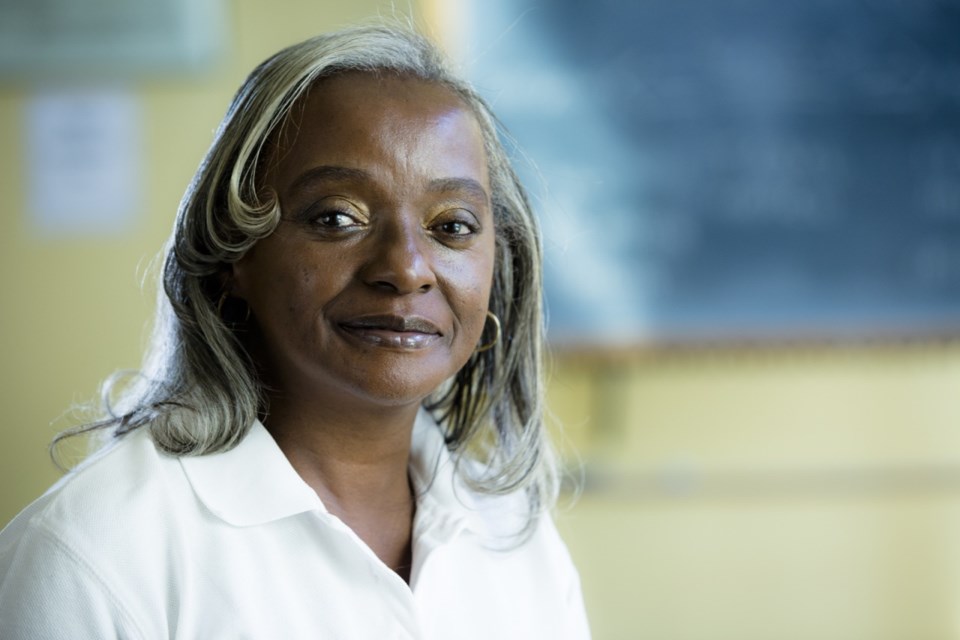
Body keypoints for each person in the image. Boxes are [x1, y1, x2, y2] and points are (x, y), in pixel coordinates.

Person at [0, 23, 590, 639]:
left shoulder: (513, 535)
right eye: (338, 217)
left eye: (453, 226)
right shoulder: (93, 555)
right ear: (234, 254)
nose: (408, 269)